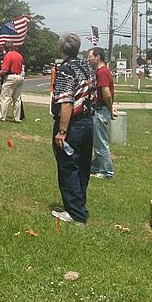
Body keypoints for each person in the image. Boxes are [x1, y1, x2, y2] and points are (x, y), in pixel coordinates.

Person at [51, 33, 97, 225]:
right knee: (82, 166)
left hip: (73, 124)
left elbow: (67, 101)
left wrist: (62, 131)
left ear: (61, 49)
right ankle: (78, 205)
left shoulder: (66, 69)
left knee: (68, 165)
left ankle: (76, 214)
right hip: (88, 122)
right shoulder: (88, 67)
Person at [88, 46, 116, 178]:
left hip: (100, 111)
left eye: (90, 56)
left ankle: (107, 172)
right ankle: (95, 167)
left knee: (101, 143)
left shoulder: (102, 72)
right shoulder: (101, 71)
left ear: (97, 57)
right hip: (99, 110)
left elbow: (107, 94)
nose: (88, 59)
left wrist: (110, 109)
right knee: (97, 142)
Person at [0, 41, 24, 122]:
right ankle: (17, 118)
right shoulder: (19, 55)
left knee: (5, 98)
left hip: (11, 77)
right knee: (17, 99)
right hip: (19, 76)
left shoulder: (8, 56)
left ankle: (2, 117)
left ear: (6, 48)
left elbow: (4, 70)